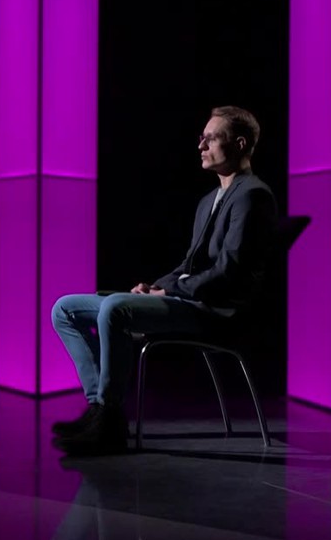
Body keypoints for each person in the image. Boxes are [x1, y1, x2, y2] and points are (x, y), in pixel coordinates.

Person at [50, 106, 278, 456]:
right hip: (187, 298)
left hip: (215, 311)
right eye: (201, 137)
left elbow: (228, 271)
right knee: (64, 309)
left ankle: (108, 421)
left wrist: (169, 290)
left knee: (114, 309)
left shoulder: (253, 195)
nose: (201, 145)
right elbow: (189, 264)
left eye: (211, 138)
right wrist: (153, 286)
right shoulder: (209, 200)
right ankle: (100, 408)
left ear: (240, 143)